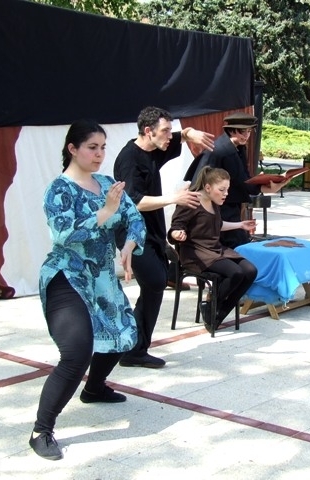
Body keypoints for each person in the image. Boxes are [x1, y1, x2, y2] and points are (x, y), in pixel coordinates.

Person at [30, 120, 146, 461]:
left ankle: (94, 388)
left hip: (102, 279)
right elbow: (64, 234)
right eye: (92, 147)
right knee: (77, 352)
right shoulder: (59, 190)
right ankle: (41, 430)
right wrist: (105, 212)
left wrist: (129, 245)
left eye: (103, 147)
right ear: (73, 149)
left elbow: (134, 218)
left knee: (125, 333)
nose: (99, 154)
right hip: (66, 275)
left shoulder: (108, 184)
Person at [113, 106, 214, 369]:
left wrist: (189, 133)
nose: (170, 136)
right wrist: (174, 198)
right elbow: (134, 201)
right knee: (155, 282)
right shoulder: (129, 159)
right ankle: (128, 343)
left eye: (170, 130)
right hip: (132, 234)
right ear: (148, 131)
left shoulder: (155, 148)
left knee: (154, 287)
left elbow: (178, 137)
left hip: (154, 232)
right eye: (165, 131)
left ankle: (135, 349)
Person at [168, 167, 258, 333]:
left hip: (215, 250)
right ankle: (212, 306)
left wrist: (240, 225)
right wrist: (177, 234)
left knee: (250, 271)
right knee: (236, 273)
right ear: (208, 187)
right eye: (222, 190)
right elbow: (175, 227)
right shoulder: (191, 201)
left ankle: (216, 313)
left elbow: (217, 224)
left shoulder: (214, 202)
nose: (225, 194)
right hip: (195, 253)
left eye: (227, 190)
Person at [198, 112, 287, 248]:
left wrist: (262, 183)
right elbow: (239, 181)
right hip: (218, 207)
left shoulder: (237, 148)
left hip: (229, 205)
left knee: (239, 245)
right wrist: (262, 186)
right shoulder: (222, 150)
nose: (246, 136)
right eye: (242, 132)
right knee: (238, 246)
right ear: (231, 130)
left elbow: (243, 178)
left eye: (249, 131)